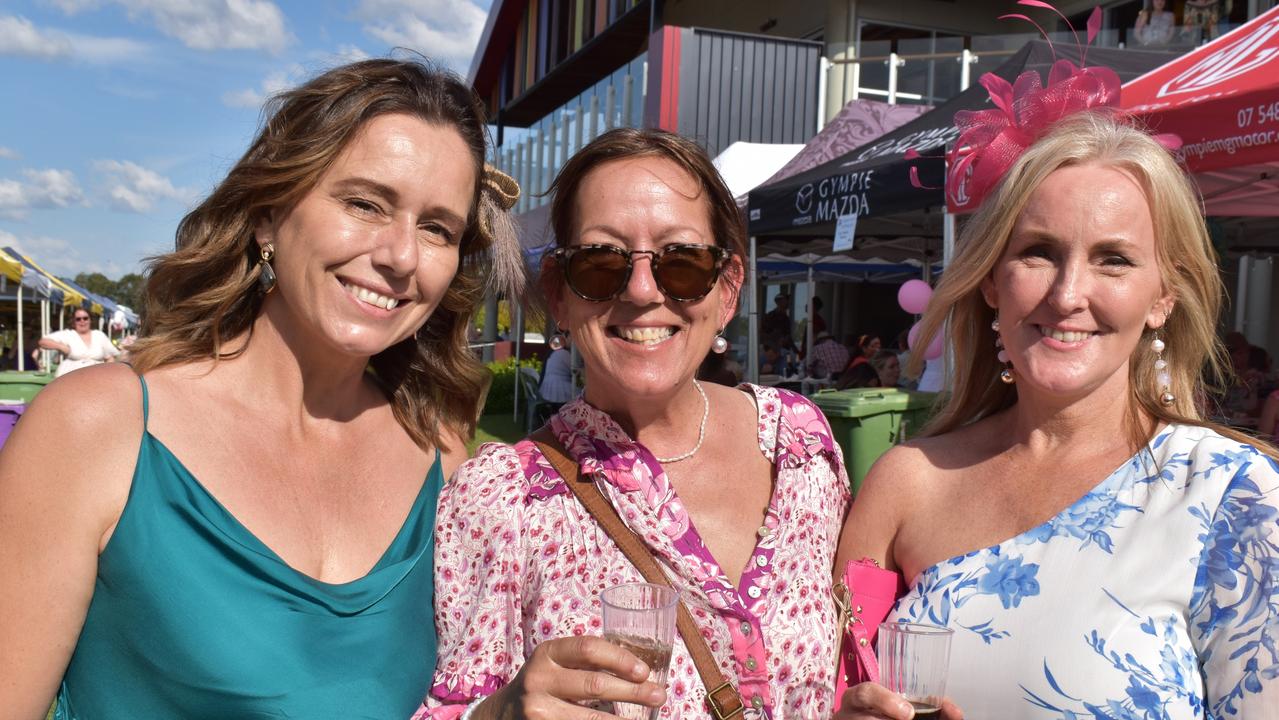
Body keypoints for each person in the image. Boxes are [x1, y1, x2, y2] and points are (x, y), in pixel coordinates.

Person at [0, 58, 523, 719]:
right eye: (364, 204)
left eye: (437, 229)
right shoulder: (99, 427)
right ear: (269, 215)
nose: (400, 255)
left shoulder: (444, 460)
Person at [834, 109, 1279, 719]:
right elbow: (824, 685)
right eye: (1039, 252)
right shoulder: (907, 481)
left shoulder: (1234, 494)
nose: (1068, 295)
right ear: (991, 278)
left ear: (1163, 296)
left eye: (1113, 260)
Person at [419, 128, 852, 719]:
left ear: (727, 290)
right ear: (561, 296)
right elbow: (450, 705)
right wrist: (499, 714)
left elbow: (838, 668)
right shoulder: (502, 498)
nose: (643, 290)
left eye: (683, 262)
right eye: (601, 263)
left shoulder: (800, 443)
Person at [38, 310, 120, 377]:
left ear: (90, 320)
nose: (82, 321)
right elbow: (43, 342)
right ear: (73, 322)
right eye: (78, 319)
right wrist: (61, 347)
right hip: (69, 377)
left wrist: (108, 374)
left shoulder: (99, 335)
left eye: (85, 318)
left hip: (96, 377)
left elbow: (110, 357)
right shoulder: (68, 334)